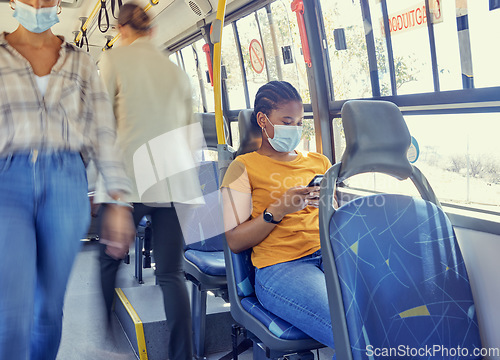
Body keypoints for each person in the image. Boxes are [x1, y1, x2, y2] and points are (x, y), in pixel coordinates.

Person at [0, 0, 135, 359]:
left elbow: (104, 132)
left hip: (66, 181)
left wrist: (118, 200)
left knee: (47, 310)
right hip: (7, 182)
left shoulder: (79, 62)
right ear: (13, 2)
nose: (39, 4)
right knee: (11, 311)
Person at [95, 4, 203, 359]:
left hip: (130, 179)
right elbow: (191, 136)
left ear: (120, 29)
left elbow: (103, 128)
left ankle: (108, 339)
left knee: (109, 258)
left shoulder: (113, 60)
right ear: (152, 30)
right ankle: (182, 356)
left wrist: (104, 188)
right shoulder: (177, 73)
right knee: (171, 275)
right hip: (175, 183)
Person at [221, 81, 335, 349]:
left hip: (331, 256)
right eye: (287, 121)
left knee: (387, 310)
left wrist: (331, 206)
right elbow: (235, 241)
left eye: (299, 122)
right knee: (353, 325)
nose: (294, 130)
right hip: (282, 267)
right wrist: (278, 209)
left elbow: (340, 219)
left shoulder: (320, 162)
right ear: (262, 119)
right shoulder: (243, 167)